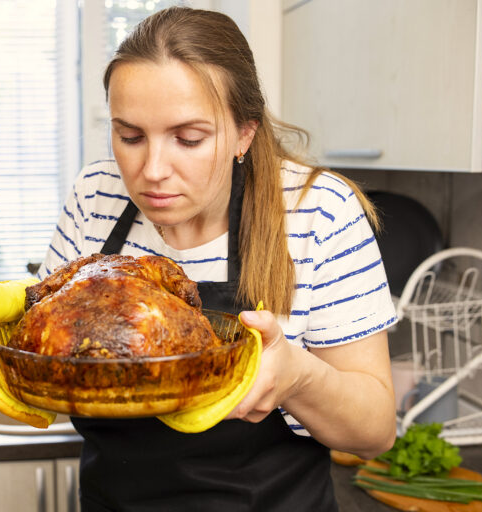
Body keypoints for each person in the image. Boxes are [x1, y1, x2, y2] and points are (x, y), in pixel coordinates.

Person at [37, 7, 397, 511]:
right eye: (130, 136)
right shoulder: (96, 194)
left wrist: (296, 375)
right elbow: (45, 358)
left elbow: (375, 430)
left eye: (188, 139)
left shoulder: (319, 211)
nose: (152, 170)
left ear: (244, 134)